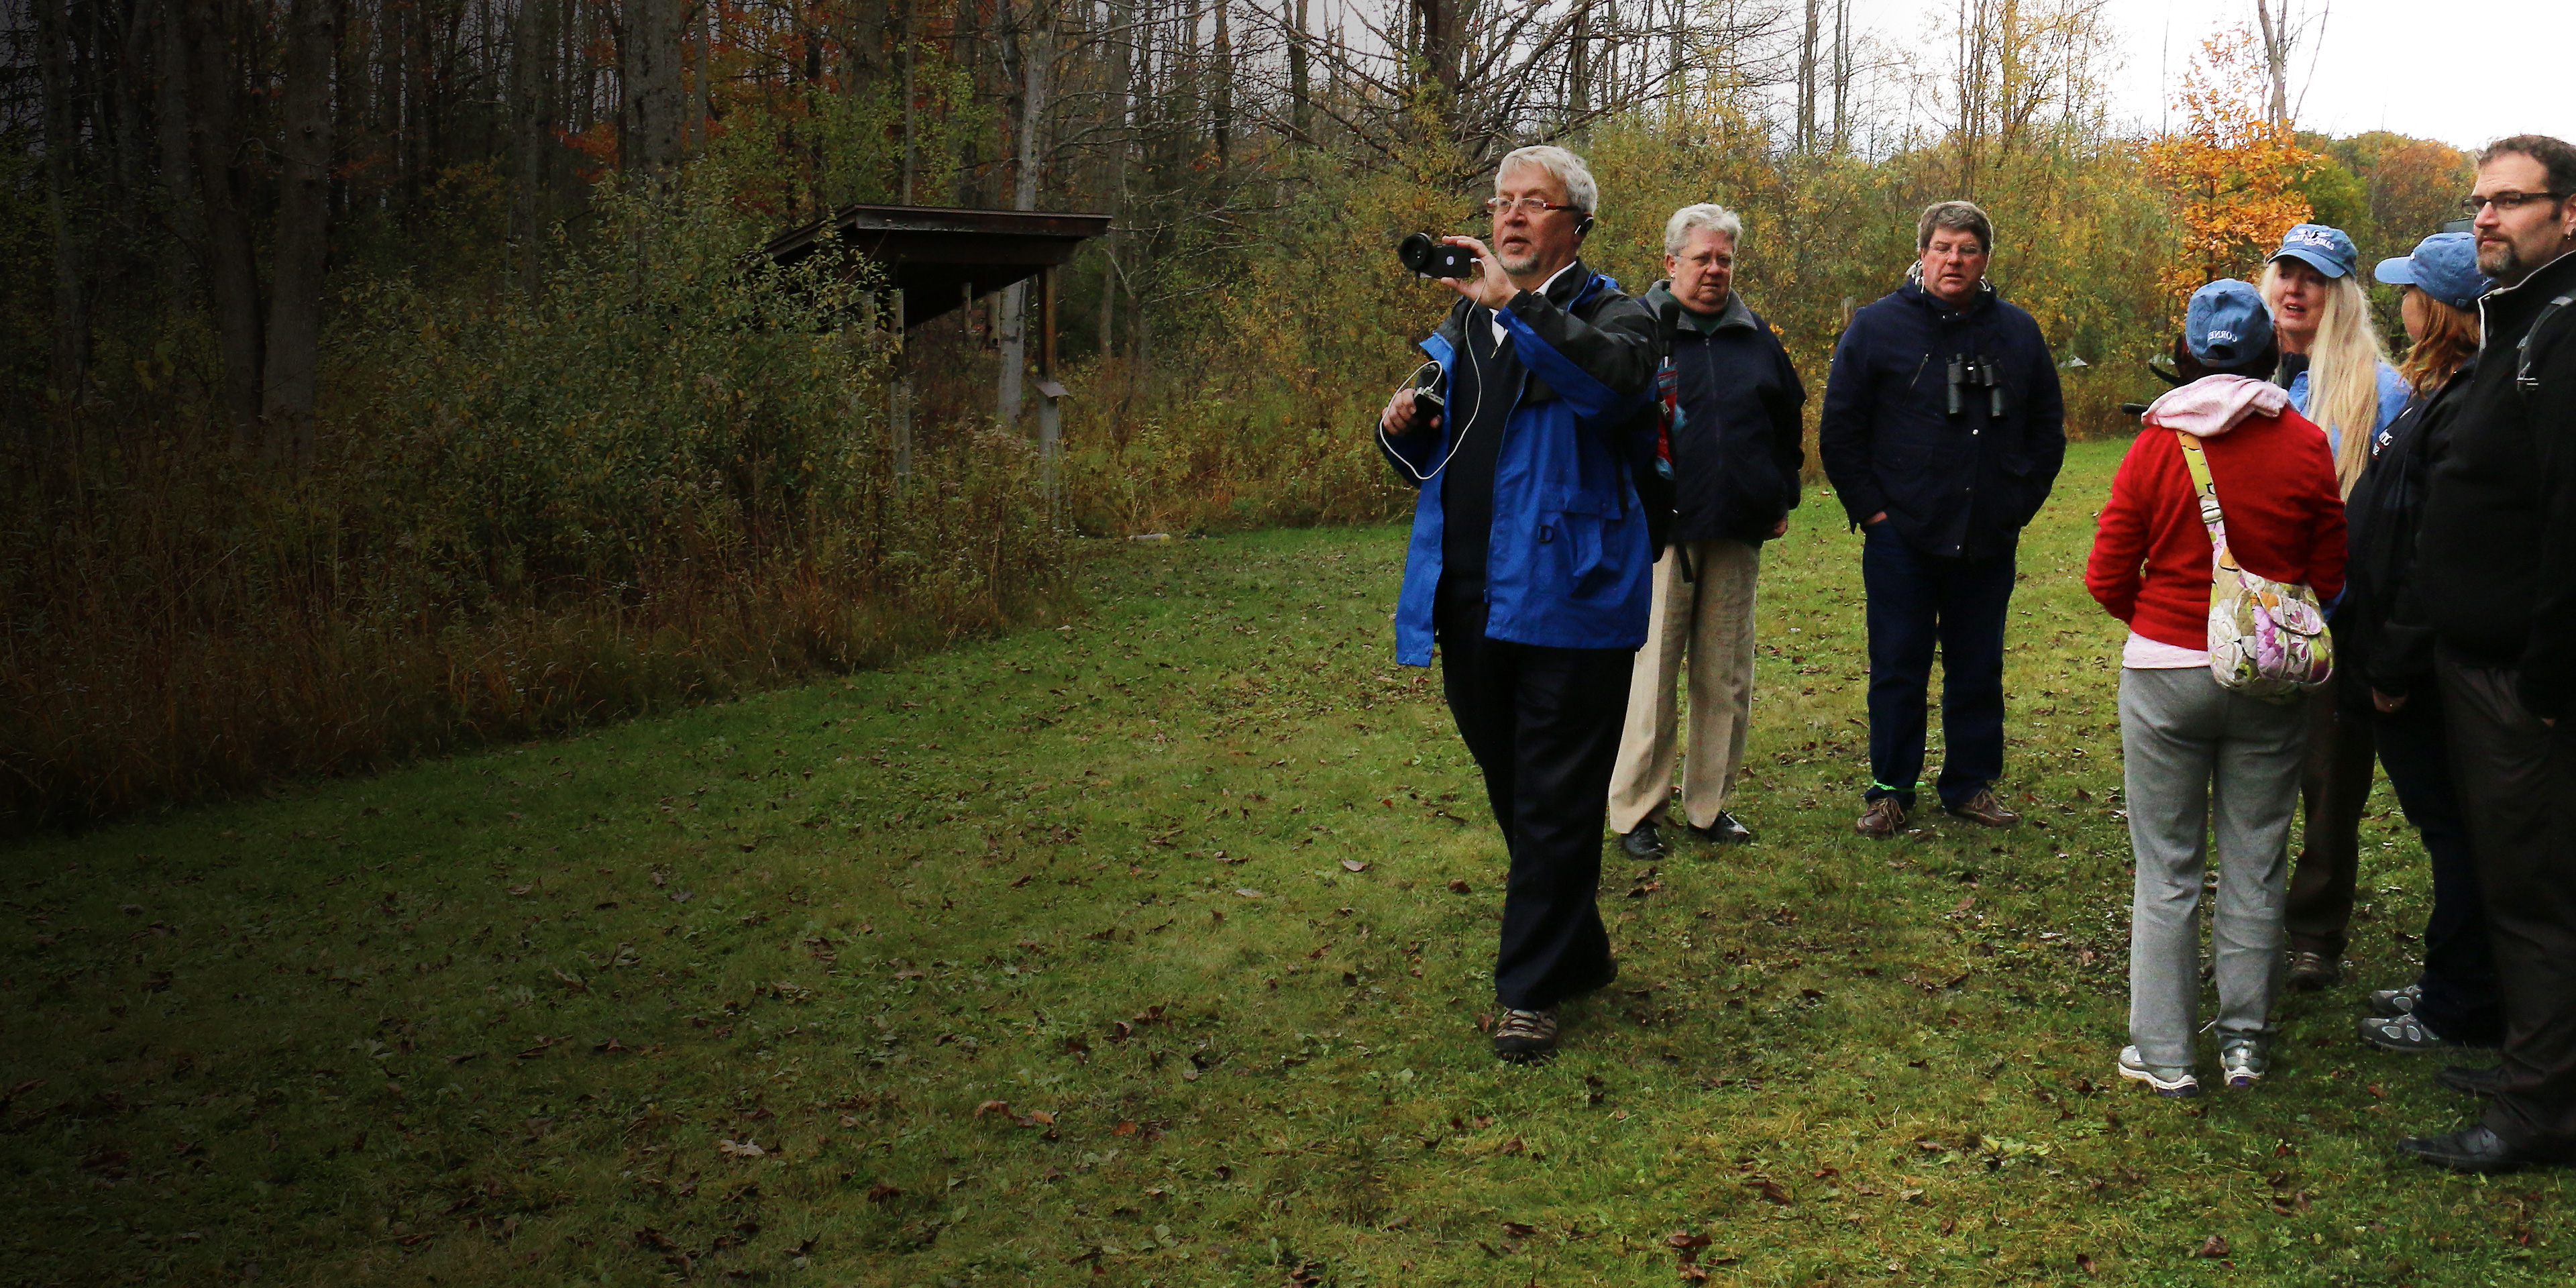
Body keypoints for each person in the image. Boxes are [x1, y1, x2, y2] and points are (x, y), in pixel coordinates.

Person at [1376, 145, 1660, 1063]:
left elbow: (1611, 390)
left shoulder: (1619, 314)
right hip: (1468, 594)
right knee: (1519, 786)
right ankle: (1575, 948)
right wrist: (1402, 426)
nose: (1510, 216)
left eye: (1533, 203)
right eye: (1501, 201)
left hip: (1571, 594)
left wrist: (1516, 304)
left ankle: (1529, 991)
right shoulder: (1462, 333)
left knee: (1553, 796)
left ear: (1574, 223)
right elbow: (1450, 458)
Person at [2085, 280, 2347, 1097]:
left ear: (2188, 354)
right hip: (2268, 680)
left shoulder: (2156, 444)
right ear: (2273, 349)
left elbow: (2104, 575)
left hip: (2163, 673)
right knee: (2256, 860)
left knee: (2165, 867)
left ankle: (2163, 1054)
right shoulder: (2305, 443)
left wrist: (2166, 626)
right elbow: (2329, 577)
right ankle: (2244, 1043)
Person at [2393, 134, 2576, 1173]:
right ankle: (2536, 1066)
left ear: (2570, 213)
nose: (2487, 219)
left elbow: (2569, 523)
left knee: (2538, 892)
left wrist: (2546, 680)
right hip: (2486, 665)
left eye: (2512, 201)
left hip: (2525, 679)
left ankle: (2544, 1109)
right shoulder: (2526, 322)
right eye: (2480, 202)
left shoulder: (2565, 331)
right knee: (2520, 881)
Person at [1820, 200, 2066, 839]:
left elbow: (2046, 430)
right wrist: (1874, 514)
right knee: (1898, 665)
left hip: (1987, 531)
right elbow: (1840, 430)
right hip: (1900, 534)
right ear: (1922, 252)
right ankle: (1891, 790)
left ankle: (1969, 784)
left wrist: (2016, 506)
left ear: (1985, 260)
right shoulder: (1877, 328)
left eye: (1968, 250)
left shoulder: (2017, 332)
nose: (1953, 260)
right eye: (1943, 248)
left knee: (1977, 666)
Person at [1607, 203, 1806, 859]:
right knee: (1653, 674)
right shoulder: (1638, 330)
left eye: (1725, 259)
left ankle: (1708, 806)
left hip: (1736, 529)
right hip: (1660, 533)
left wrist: (1781, 491)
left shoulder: (1756, 338)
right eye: (1703, 259)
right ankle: (1637, 809)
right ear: (1671, 264)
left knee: (1724, 677)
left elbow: (1786, 423)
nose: (1715, 270)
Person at [2343, 233, 2500, 1056]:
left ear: (2433, 307)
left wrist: (2394, 665)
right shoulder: (2436, 390)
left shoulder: (2466, 399)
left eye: (2409, 290)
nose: (2398, 300)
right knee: (2450, 830)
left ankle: (2460, 1004)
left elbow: (2431, 549)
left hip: (2419, 662)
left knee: (2457, 833)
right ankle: (2454, 980)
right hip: (2400, 647)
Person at [2259, 223, 2413, 992]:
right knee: (2251, 773)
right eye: (2286, 272)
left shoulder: (2380, 391)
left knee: (2328, 780)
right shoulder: (2243, 370)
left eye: (2314, 279)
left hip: (2332, 614)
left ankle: (2315, 930)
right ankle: (2245, 923)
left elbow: (2389, 520)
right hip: (2243, 611)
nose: (2295, 289)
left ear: (2342, 295)